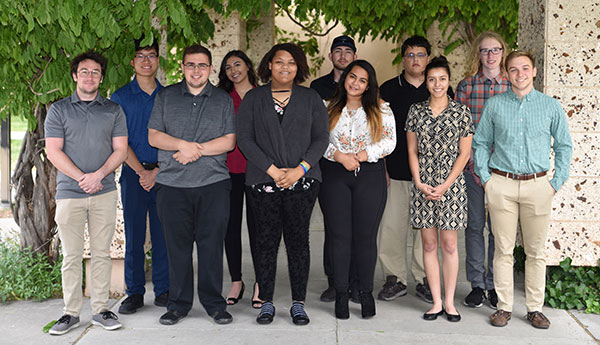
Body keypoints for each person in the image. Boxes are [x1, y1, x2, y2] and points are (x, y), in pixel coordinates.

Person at [473, 50, 572, 329]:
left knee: (535, 252)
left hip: (538, 185)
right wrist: (486, 179)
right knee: (503, 249)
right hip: (501, 184)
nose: (520, 74)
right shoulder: (494, 105)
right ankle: (504, 307)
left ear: (534, 71)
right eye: (514, 70)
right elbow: (480, 143)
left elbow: (564, 145)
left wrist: (555, 183)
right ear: (507, 73)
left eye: (525, 68)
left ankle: (534, 309)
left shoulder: (550, 106)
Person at [237, 43, 329, 326]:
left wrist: (299, 170)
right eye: (279, 62)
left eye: (291, 62)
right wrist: (274, 170)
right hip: (263, 180)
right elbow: (245, 139)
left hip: (302, 181)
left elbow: (321, 139)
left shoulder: (311, 97)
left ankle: (298, 303)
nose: (285, 67)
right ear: (269, 65)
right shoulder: (253, 98)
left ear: (298, 67)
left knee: (298, 241)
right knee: (265, 242)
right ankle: (266, 302)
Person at [148, 44, 236, 326]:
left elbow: (229, 141)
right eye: (190, 65)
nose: (195, 70)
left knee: (211, 247)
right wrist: (182, 145)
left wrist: (194, 150)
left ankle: (214, 304)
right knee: (177, 248)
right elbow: (154, 137)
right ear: (182, 67)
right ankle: (178, 304)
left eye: (201, 65)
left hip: (213, 184)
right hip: (172, 185)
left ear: (210, 69)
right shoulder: (166, 96)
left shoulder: (222, 99)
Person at [45, 51, 128, 335]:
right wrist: (83, 177)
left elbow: (120, 150)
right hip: (69, 192)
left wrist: (98, 176)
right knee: (71, 255)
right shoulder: (58, 110)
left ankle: (101, 310)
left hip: (104, 191)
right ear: (74, 75)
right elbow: (53, 150)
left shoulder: (114, 111)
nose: (89, 76)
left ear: (101, 77)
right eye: (84, 71)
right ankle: (70, 313)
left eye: (95, 72)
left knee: (102, 253)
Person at [319, 60, 396, 319]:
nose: (356, 83)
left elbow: (390, 142)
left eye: (362, 80)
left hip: (369, 176)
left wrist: (363, 154)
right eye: (352, 77)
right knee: (339, 238)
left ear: (368, 85)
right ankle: (341, 293)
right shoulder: (327, 107)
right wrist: (339, 156)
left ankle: (364, 293)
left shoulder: (381, 109)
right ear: (345, 78)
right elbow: (316, 140)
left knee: (365, 238)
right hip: (334, 175)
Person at [377, 36, 447, 304]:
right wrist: (381, 167)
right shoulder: (388, 89)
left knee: (426, 231)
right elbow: (378, 131)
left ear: (428, 57)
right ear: (403, 58)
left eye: (420, 54)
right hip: (395, 172)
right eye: (410, 55)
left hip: (430, 178)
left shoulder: (439, 89)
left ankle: (424, 278)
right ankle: (394, 278)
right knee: (392, 228)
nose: (415, 60)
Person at [406, 56, 473, 322]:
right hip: (423, 186)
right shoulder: (415, 110)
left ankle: (450, 302)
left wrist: (446, 184)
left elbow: (464, 153)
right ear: (426, 81)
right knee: (429, 243)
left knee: (449, 244)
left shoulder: (461, 112)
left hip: (452, 187)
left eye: (442, 79)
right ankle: (435, 302)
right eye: (432, 79)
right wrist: (419, 181)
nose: (437, 84)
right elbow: (411, 150)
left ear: (449, 81)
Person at [111, 37, 169, 315]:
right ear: (132, 62)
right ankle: (134, 292)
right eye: (140, 55)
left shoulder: (169, 96)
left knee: (163, 234)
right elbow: (119, 141)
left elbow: (174, 138)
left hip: (164, 173)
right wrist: (142, 172)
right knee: (133, 235)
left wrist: (157, 171)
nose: (147, 60)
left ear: (158, 60)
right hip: (133, 174)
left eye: (152, 55)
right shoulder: (120, 97)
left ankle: (164, 289)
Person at [455, 31, 511, 309]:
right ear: (477, 54)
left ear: (503, 52)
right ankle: (477, 284)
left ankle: (495, 285)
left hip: (503, 172)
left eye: (495, 50)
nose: (490, 55)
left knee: (498, 230)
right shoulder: (466, 87)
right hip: (473, 170)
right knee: (475, 227)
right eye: (485, 50)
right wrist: (471, 164)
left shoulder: (512, 85)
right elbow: (461, 131)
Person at [310, 34, 359, 303]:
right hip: (328, 164)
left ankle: (355, 282)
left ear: (354, 55)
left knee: (357, 226)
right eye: (337, 51)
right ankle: (334, 281)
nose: (342, 55)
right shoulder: (317, 87)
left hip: (359, 165)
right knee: (335, 226)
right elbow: (315, 129)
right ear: (330, 56)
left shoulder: (364, 83)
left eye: (347, 51)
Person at [216, 50, 262, 308]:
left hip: (258, 171)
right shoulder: (222, 99)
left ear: (247, 66)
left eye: (238, 64)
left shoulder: (262, 95)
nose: (234, 70)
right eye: (228, 67)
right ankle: (236, 281)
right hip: (228, 171)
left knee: (258, 230)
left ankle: (259, 283)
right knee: (230, 228)